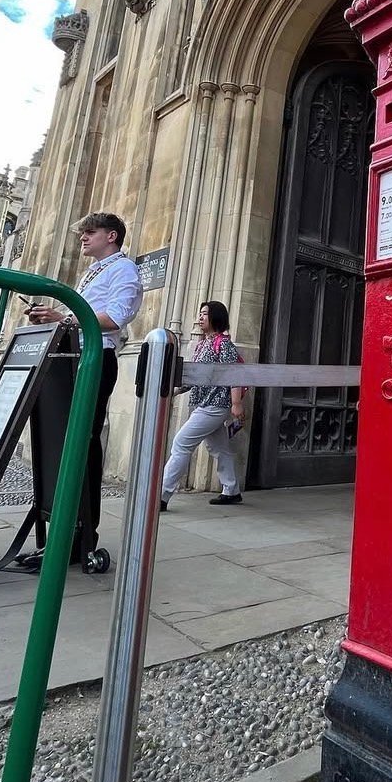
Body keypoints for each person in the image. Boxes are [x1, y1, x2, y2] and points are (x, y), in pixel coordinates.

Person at [27, 211, 143, 555]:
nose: (83, 237)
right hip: (72, 358)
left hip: (95, 359)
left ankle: (83, 531)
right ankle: (67, 526)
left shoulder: (124, 269)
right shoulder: (94, 272)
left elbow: (116, 317)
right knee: (66, 440)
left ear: (112, 235)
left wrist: (65, 317)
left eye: (90, 232)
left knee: (84, 439)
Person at [160, 300, 246, 509]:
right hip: (206, 403)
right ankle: (231, 490)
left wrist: (236, 403)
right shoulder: (204, 344)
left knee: (181, 443)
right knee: (219, 447)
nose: (200, 317)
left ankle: (161, 495)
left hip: (215, 405)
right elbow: (199, 376)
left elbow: (233, 373)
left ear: (216, 317)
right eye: (200, 313)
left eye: (205, 314)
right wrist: (177, 390)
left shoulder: (223, 344)